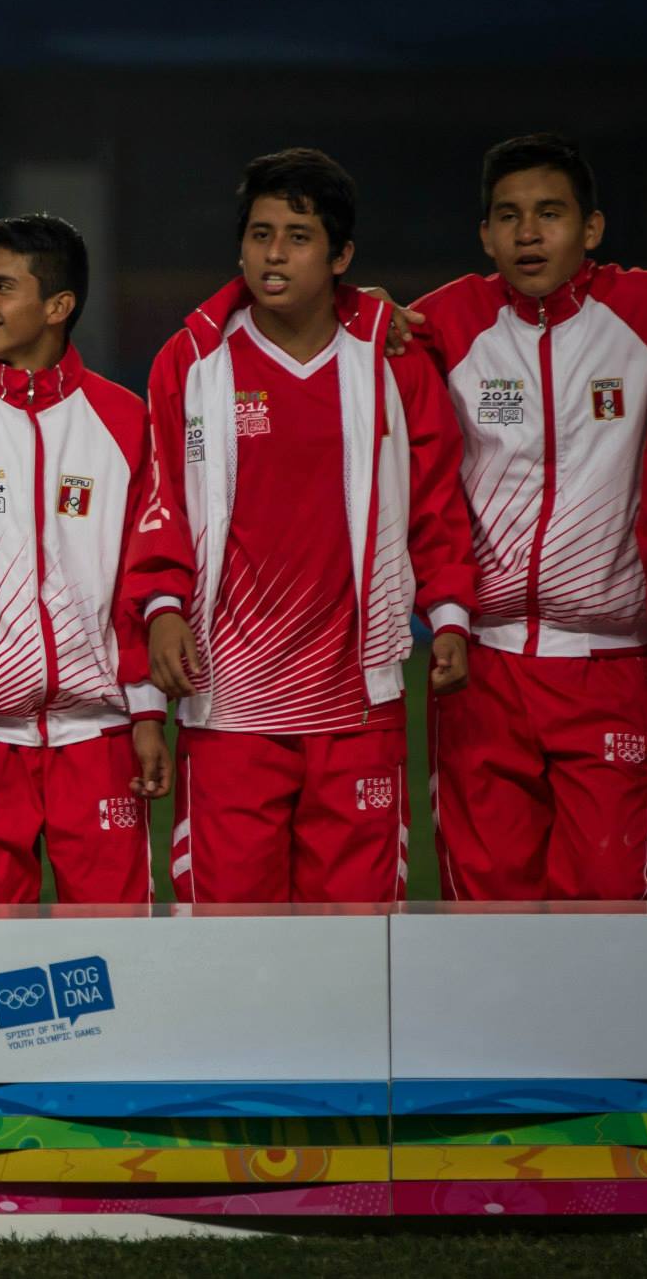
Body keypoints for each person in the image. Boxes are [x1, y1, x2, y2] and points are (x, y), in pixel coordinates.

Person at [125, 148, 475, 904]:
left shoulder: (394, 361)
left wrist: (448, 612)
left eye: (298, 235)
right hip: (230, 703)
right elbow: (160, 504)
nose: (273, 253)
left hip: (358, 705)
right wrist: (161, 610)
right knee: (231, 938)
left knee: (355, 939)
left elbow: (435, 500)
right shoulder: (190, 362)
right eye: (259, 234)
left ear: (342, 255)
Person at [402, 135, 647, 900]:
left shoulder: (643, 310)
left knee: (612, 902)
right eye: (508, 217)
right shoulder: (443, 323)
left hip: (609, 663)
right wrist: (365, 312)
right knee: (487, 908)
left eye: (550, 214)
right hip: (481, 669)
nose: (528, 233)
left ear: (593, 229)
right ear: (485, 235)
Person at [0, 214, 166, 904]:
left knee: (113, 963)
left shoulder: (124, 419)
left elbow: (141, 579)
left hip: (100, 742)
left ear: (57, 306)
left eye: (1, 286)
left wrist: (144, 715)